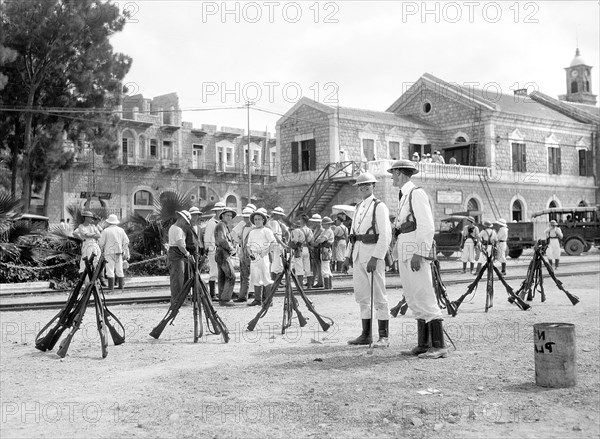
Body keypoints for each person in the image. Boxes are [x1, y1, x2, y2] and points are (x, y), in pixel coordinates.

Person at [388, 159, 447, 359]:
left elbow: (427, 226)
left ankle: (439, 346)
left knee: (424, 294)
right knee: (412, 296)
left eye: (393, 173)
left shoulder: (416, 193)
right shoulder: (404, 196)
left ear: (401, 174)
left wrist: (419, 253)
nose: (392, 177)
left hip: (415, 252)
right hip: (406, 251)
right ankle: (423, 344)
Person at [343, 172, 392, 348]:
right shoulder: (357, 207)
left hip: (372, 255)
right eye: (361, 186)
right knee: (362, 296)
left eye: (367, 185)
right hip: (357, 254)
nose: (364, 188)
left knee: (379, 296)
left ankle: (383, 336)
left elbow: (386, 235)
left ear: (373, 186)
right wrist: (347, 256)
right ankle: (366, 335)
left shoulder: (379, 206)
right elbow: (352, 235)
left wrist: (376, 257)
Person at [246, 208, 277, 306]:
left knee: (266, 277)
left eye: (259, 219)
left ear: (263, 220)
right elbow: (248, 245)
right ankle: (257, 299)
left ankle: (269, 300)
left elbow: (273, 242)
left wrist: (266, 251)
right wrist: (250, 253)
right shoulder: (252, 232)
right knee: (255, 277)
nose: (257, 221)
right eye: (255, 219)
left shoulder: (266, 231)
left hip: (263, 256)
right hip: (254, 256)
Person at [98, 214, 130, 292]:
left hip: (109, 252)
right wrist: (123, 249)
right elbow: (126, 241)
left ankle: (111, 287)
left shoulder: (106, 231)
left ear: (109, 222)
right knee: (119, 269)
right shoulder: (121, 230)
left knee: (110, 269)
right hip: (118, 252)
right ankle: (121, 287)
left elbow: (101, 243)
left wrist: (102, 248)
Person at [166, 211, 191, 306]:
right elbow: (180, 245)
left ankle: (177, 299)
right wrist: (187, 253)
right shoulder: (177, 229)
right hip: (177, 254)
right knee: (178, 279)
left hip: (174, 253)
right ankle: (177, 300)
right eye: (185, 221)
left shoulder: (173, 228)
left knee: (176, 278)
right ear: (181, 219)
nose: (185, 223)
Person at [214, 207, 237, 306]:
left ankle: (222, 299)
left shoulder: (223, 226)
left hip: (221, 252)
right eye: (227, 215)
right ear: (222, 216)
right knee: (231, 275)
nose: (229, 217)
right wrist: (231, 248)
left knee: (222, 277)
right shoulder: (221, 225)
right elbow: (222, 240)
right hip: (223, 252)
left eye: (231, 216)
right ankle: (225, 299)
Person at [231, 207, 254, 302]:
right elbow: (233, 234)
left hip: (250, 255)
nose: (246, 219)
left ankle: (244, 295)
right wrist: (239, 241)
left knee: (248, 276)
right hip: (243, 254)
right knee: (244, 275)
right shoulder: (244, 227)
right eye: (244, 217)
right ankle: (243, 295)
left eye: (247, 217)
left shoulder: (253, 228)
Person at [204, 201, 225, 300]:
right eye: (220, 210)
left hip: (221, 250)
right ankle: (212, 294)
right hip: (213, 250)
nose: (221, 212)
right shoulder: (211, 223)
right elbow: (207, 237)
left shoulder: (221, 223)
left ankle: (221, 291)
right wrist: (209, 248)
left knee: (221, 271)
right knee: (214, 271)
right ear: (216, 211)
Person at [73, 211, 102, 278]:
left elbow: (99, 235)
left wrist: (90, 235)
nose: (91, 219)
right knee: (86, 261)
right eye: (90, 217)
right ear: (86, 218)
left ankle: (95, 278)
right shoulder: (81, 226)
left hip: (94, 244)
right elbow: (85, 234)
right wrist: (85, 237)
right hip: (87, 244)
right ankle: (84, 279)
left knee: (96, 261)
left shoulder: (93, 226)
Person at [289, 214, 313, 288]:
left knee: (299, 267)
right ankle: (309, 284)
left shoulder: (296, 230)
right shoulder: (309, 230)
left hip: (299, 249)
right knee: (307, 266)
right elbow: (310, 240)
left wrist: (291, 241)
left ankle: (300, 285)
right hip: (306, 248)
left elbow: (295, 240)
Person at [267, 206, 289, 281]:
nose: (280, 216)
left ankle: (276, 280)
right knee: (277, 262)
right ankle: (275, 280)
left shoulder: (274, 222)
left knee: (277, 262)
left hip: (275, 244)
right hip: (277, 244)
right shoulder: (274, 222)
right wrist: (282, 244)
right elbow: (275, 235)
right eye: (280, 215)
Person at [315, 216, 335, 289]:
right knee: (326, 267)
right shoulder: (325, 231)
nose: (323, 225)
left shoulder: (328, 231)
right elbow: (318, 239)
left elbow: (321, 240)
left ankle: (327, 286)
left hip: (325, 249)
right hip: (324, 249)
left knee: (325, 267)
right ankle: (329, 285)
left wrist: (319, 240)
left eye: (324, 224)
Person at [307, 214, 323, 288]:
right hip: (315, 249)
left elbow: (318, 241)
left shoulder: (321, 230)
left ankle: (320, 281)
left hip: (319, 249)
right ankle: (315, 281)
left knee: (319, 266)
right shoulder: (317, 229)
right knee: (315, 266)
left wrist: (312, 244)